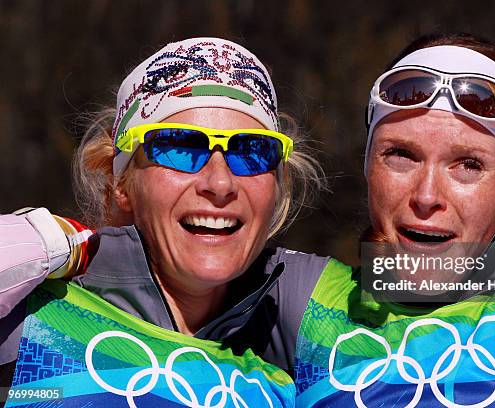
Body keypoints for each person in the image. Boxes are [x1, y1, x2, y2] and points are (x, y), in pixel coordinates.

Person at [2, 33, 495, 407]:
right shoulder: (306, 302)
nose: (428, 195)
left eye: (469, 164)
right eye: (401, 156)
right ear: (369, 168)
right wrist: (57, 243)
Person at [0, 37, 327, 407]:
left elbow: (404, 288)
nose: (219, 184)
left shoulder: (311, 334)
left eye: (252, 151)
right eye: (179, 147)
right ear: (119, 181)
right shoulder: (30, 325)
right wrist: (34, 239)